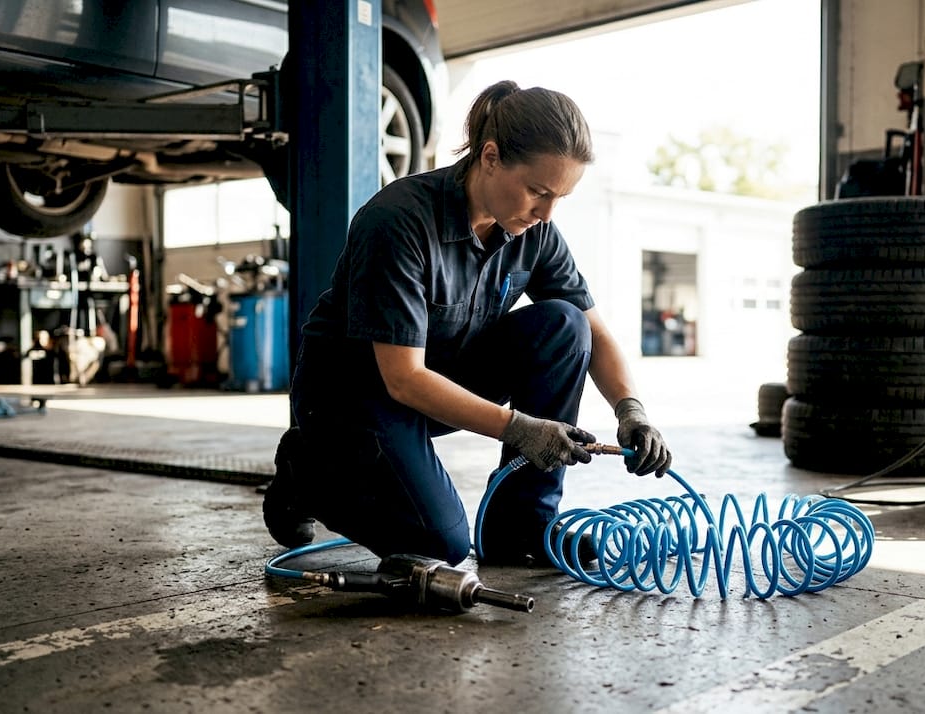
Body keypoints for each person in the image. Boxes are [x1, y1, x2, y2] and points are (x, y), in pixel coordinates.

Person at [264, 80, 673, 567]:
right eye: (538, 192)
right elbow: (403, 378)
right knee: (439, 544)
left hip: (436, 383)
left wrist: (631, 411)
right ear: (491, 157)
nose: (546, 213)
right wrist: (519, 428)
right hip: (355, 399)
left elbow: (593, 331)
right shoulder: (398, 220)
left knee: (564, 326)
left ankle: (522, 527)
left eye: (560, 198)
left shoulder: (534, 230)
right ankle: (306, 471)